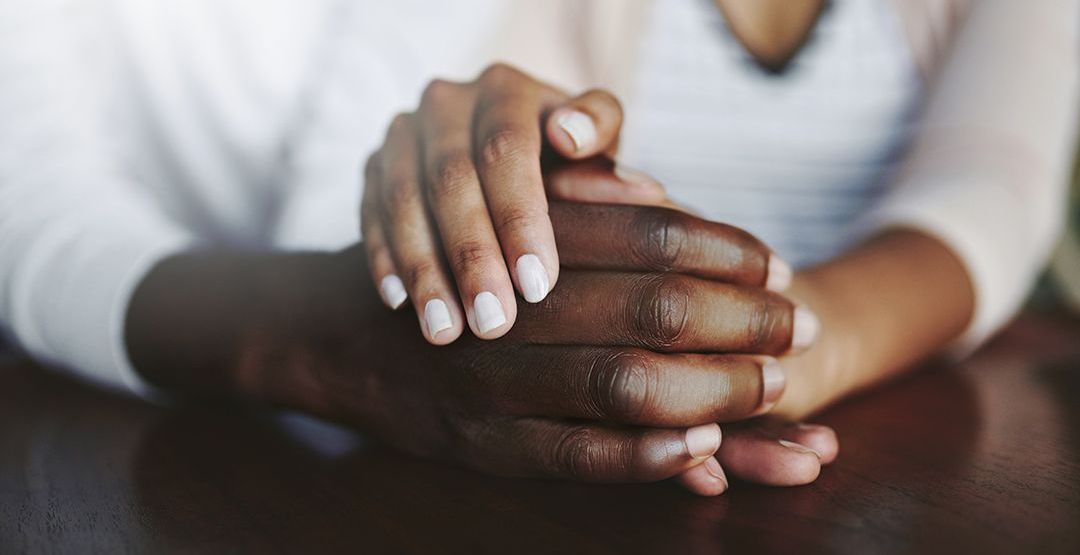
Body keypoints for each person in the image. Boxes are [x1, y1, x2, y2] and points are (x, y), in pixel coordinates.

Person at [0, 0, 1075, 497]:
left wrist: (776, 354)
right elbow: (472, 162)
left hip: (806, 410)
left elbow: (987, 189)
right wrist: (495, 168)